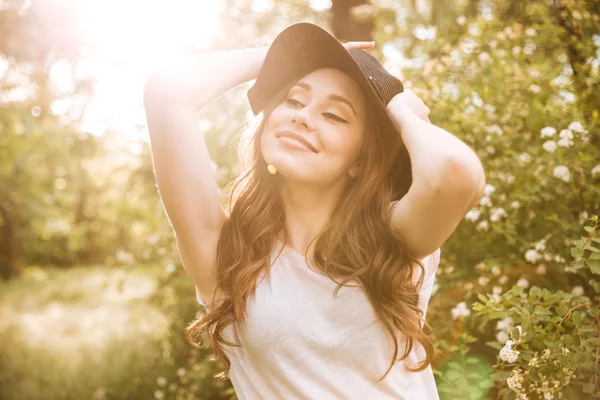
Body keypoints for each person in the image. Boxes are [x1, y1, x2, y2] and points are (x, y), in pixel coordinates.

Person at [144, 22, 485, 400]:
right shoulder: (226, 255)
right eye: (293, 99)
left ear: (360, 159)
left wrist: (404, 112)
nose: (303, 116)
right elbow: (166, 91)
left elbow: (455, 174)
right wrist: (285, 55)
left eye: (334, 115)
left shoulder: (394, 237)